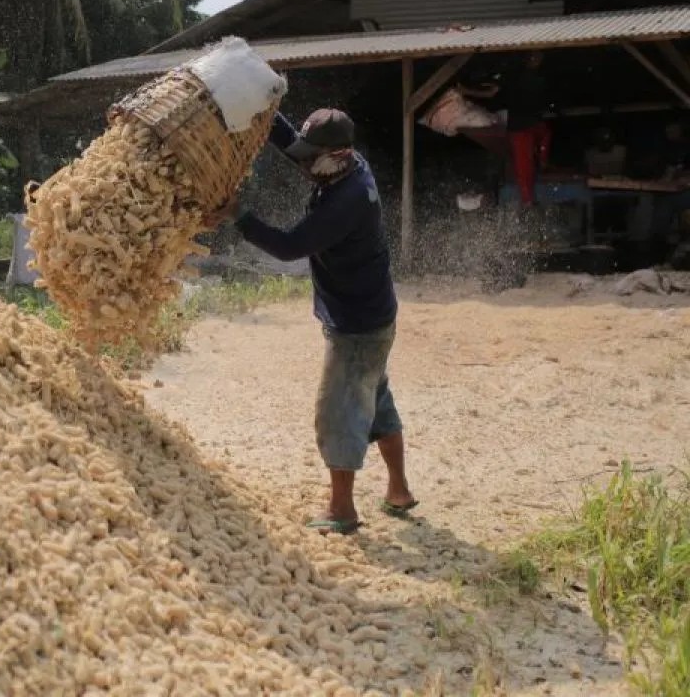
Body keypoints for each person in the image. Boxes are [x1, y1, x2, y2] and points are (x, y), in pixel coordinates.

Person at [207, 108, 416, 535]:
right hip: (373, 316)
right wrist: (264, 110)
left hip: (356, 325)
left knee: (337, 412)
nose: (303, 164)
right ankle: (399, 490)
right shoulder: (345, 167)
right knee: (375, 401)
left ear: (334, 155)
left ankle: (342, 510)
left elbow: (290, 246)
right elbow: (294, 147)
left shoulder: (348, 199)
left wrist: (238, 216)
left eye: (310, 156)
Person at [460, 52, 552, 206]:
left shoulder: (540, 76)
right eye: (534, 57)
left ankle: (542, 163)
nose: (536, 60)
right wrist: (467, 91)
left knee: (545, 135)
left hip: (532, 124)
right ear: (527, 58)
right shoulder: (513, 75)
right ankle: (527, 200)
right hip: (519, 127)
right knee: (524, 168)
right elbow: (491, 92)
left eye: (539, 57)